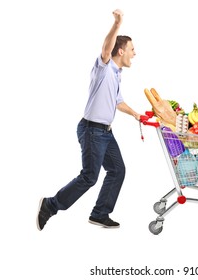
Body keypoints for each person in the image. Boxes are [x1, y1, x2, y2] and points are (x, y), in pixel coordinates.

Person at [37, 9, 141, 230]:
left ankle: (99, 214)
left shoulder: (116, 75)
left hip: (105, 132)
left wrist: (135, 114)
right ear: (120, 50)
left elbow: (117, 101)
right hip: (92, 131)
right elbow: (106, 49)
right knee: (89, 177)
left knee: (117, 170)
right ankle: (50, 205)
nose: (135, 53)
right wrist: (117, 24)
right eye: (132, 49)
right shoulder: (104, 68)